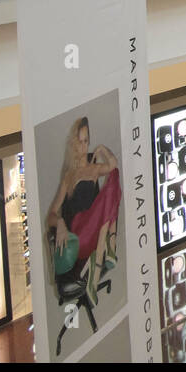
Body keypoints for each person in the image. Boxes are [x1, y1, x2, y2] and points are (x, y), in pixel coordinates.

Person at [46, 116, 121, 306]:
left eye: (86, 141)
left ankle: (106, 247)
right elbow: (51, 215)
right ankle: (106, 250)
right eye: (80, 141)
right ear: (74, 144)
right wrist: (61, 223)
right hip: (81, 235)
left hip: (96, 229)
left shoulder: (95, 168)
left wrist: (102, 148)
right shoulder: (69, 176)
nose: (84, 146)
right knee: (101, 210)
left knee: (114, 174)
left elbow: (113, 164)